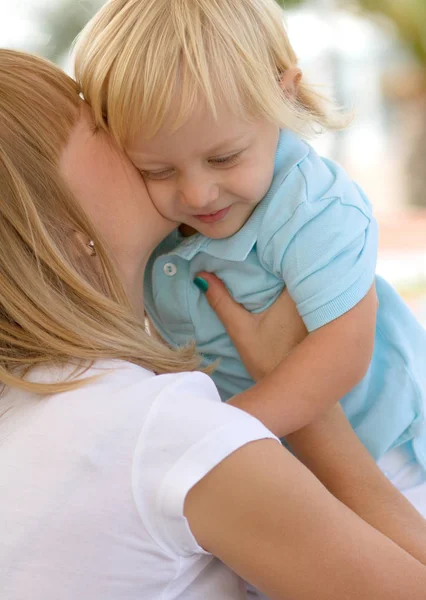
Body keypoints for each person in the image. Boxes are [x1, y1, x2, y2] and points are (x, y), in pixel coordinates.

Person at [4, 48, 426, 600]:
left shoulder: (45, 407)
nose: (129, 125)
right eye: (94, 122)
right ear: (57, 220)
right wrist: (259, 421)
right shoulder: (150, 429)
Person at [75, 0, 426, 498]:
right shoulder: (157, 214)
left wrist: (224, 433)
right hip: (266, 454)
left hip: (382, 450)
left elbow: (343, 349)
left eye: (224, 157)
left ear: (283, 94)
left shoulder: (312, 206)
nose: (196, 194)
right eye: (158, 170)